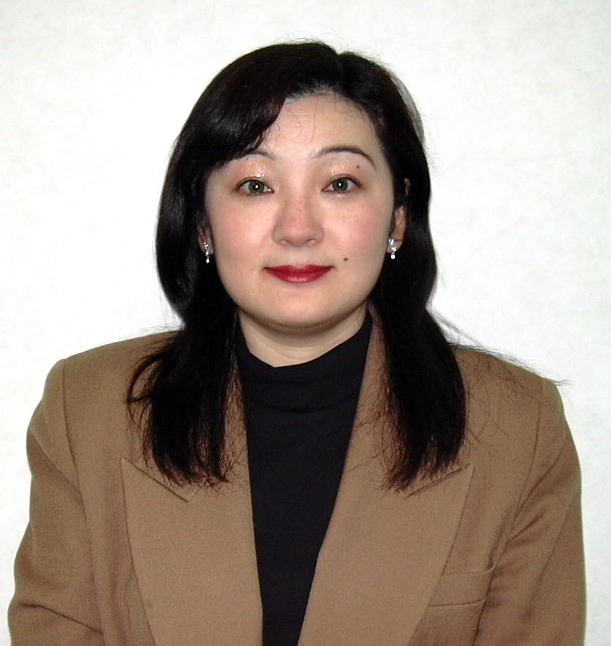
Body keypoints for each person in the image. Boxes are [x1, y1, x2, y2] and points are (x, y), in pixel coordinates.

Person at [9, 42, 585, 646]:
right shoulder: (88, 413)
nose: (298, 229)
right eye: (256, 185)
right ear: (203, 223)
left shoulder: (517, 429)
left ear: (397, 218)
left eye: (340, 183)